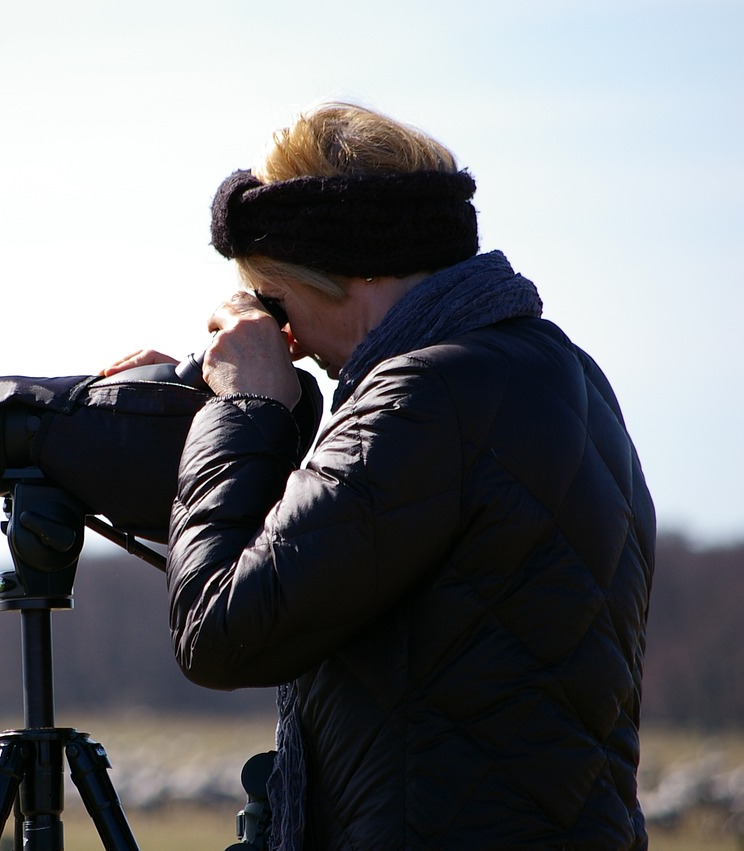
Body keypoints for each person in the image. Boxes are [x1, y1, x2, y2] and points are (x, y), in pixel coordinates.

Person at [103, 102, 655, 849]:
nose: (287, 335)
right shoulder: (560, 374)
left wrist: (248, 408)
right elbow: (349, 547)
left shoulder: (424, 399)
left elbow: (222, 630)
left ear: (343, 268)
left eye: (275, 298)